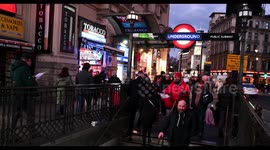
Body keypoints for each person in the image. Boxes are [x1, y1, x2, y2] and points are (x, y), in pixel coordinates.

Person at [10, 53, 36, 130]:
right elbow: (29, 83)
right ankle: (32, 131)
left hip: (16, 93)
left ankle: (12, 129)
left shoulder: (14, 67)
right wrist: (33, 79)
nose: (30, 64)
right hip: (25, 94)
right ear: (28, 60)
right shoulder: (25, 68)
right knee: (30, 113)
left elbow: (16, 79)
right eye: (31, 62)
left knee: (17, 112)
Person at [126, 71, 145, 139]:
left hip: (133, 101)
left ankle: (129, 130)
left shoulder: (132, 82)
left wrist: (130, 96)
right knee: (141, 114)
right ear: (142, 75)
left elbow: (128, 90)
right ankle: (138, 127)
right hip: (140, 101)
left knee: (132, 116)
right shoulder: (143, 83)